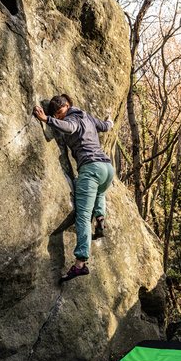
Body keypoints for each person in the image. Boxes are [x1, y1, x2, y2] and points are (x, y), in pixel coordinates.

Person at [33, 94, 115, 282]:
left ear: (68, 106)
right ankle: (101, 218)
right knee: (99, 192)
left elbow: (69, 127)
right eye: (57, 115)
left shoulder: (72, 119)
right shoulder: (87, 116)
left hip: (91, 168)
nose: (60, 117)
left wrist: (47, 119)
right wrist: (109, 121)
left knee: (83, 217)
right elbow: (105, 127)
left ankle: (80, 264)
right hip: (107, 169)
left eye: (60, 112)